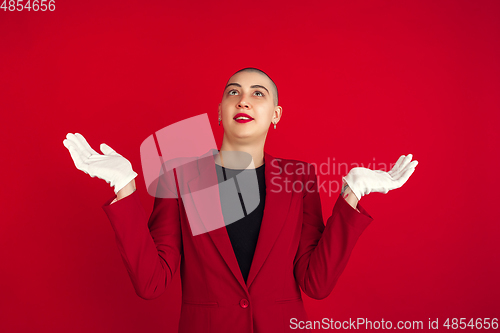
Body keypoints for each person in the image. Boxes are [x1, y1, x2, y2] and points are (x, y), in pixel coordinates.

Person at [62, 67, 418, 333]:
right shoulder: (179, 178)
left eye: (258, 93)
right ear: (220, 112)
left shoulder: (300, 178)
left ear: (275, 116)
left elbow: (315, 283)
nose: (244, 99)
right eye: (233, 92)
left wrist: (351, 194)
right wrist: (124, 186)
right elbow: (152, 282)